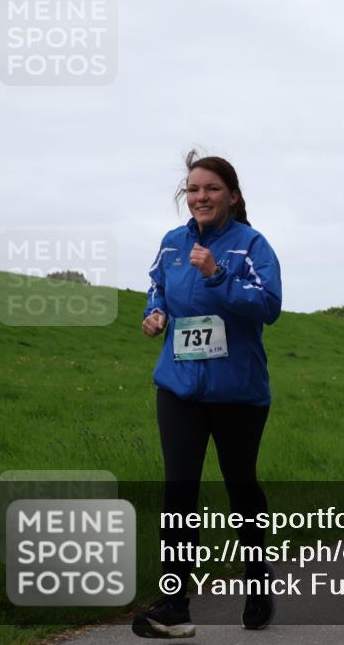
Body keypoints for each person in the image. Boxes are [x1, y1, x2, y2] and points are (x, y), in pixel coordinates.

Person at [134, 152, 283, 638]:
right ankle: (176, 602)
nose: (201, 197)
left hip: (237, 392)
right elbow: (157, 287)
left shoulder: (251, 245)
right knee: (179, 491)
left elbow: (268, 306)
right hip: (179, 388)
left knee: (241, 489)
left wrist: (219, 276)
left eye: (212, 189)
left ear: (233, 196)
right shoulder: (172, 244)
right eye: (194, 189)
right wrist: (154, 314)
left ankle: (258, 582)